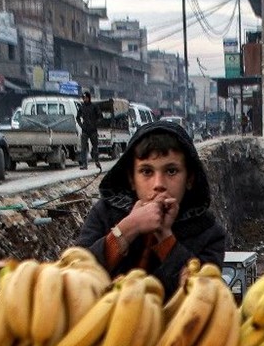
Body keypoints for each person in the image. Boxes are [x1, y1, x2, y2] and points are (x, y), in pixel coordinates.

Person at [75, 120, 226, 299]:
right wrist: (129, 228)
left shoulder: (208, 232)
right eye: (146, 172)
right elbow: (77, 278)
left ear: (190, 179)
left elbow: (203, 298)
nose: (158, 184)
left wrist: (165, 238)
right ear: (131, 179)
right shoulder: (105, 214)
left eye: (171, 171)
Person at [76, 90, 102, 170]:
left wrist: (95, 124)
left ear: (89, 98)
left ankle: (97, 161)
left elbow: (100, 117)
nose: (85, 99)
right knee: (83, 148)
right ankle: (84, 164)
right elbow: (77, 117)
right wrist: (81, 125)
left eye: (86, 98)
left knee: (95, 147)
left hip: (93, 130)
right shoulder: (82, 107)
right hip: (85, 130)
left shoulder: (94, 106)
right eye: (84, 98)